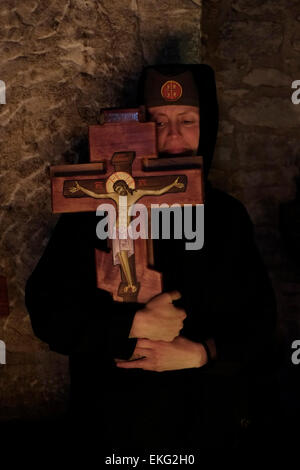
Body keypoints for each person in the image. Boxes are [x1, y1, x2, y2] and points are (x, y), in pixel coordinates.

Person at [25, 64, 278, 451]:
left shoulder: (227, 216)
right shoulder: (97, 207)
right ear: (140, 127)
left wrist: (200, 354)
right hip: (111, 427)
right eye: (158, 121)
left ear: (206, 125)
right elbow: (48, 312)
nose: (173, 135)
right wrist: (132, 325)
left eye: (188, 120)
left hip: (202, 424)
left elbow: (260, 323)